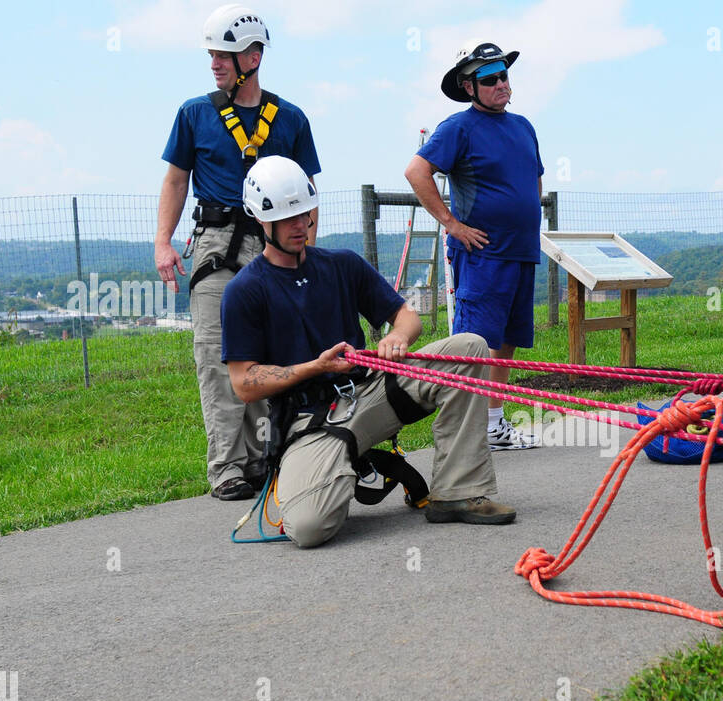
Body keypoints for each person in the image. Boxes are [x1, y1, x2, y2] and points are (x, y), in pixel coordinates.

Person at [221, 156, 516, 548]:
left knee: (469, 348)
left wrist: (399, 338)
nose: (301, 225)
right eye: (288, 218)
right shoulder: (244, 291)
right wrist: (315, 367)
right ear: (261, 220)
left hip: (369, 392)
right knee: (308, 529)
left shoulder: (341, 265)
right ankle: (336, 468)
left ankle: (457, 492)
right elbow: (244, 383)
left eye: (305, 214)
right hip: (310, 422)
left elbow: (406, 316)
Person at [154, 4, 321, 501]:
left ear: (253, 56)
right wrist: (163, 241)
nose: (214, 65)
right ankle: (228, 467)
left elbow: (308, 191)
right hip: (216, 246)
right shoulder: (195, 114)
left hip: (275, 244)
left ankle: (271, 456)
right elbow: (176, 178)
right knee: (218, 355)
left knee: (276, 353)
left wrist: (305, 252)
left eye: (223, 56)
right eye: (211, 56)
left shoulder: (290, 119)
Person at [404, 40, 544, 451]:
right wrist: (451, 224)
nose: (501, 83)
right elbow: (416, 171)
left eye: (504, 75)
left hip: (520, 252)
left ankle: (494, 425)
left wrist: (525, 211)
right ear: (469, 87)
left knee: (506, 342)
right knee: (474, 344)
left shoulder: (523, 126)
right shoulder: (458, 127)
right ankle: (464, 434)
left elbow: (534, 177)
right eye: (490, 78)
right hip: (484, 255)